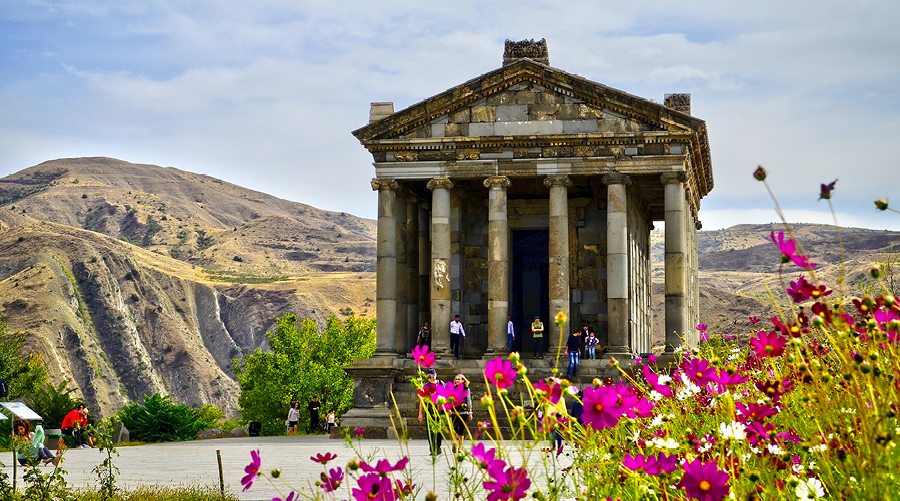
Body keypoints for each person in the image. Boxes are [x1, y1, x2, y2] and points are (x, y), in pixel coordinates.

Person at [417, 368, 444, 456]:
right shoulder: (425, 386)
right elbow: (422, 400)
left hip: (440, 409)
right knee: (430, 430)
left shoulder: (441, 384)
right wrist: (420, 413)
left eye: (433, 376)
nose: (431, 377)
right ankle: (432, 448)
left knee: (439, 429)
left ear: (436, 376)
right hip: (429, 409)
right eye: (429, 376)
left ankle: (438, 446)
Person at [449, 374, 473, 453]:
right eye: (456, 379)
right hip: (454, 412)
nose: (457, 381)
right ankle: (454, 444)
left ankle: (460, 448)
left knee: (461, 431)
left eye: (459, 379)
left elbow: (469, 400)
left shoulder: (466, 389)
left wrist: (470, 412)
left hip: (463, 412)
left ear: (463, 380)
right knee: (454, 430)